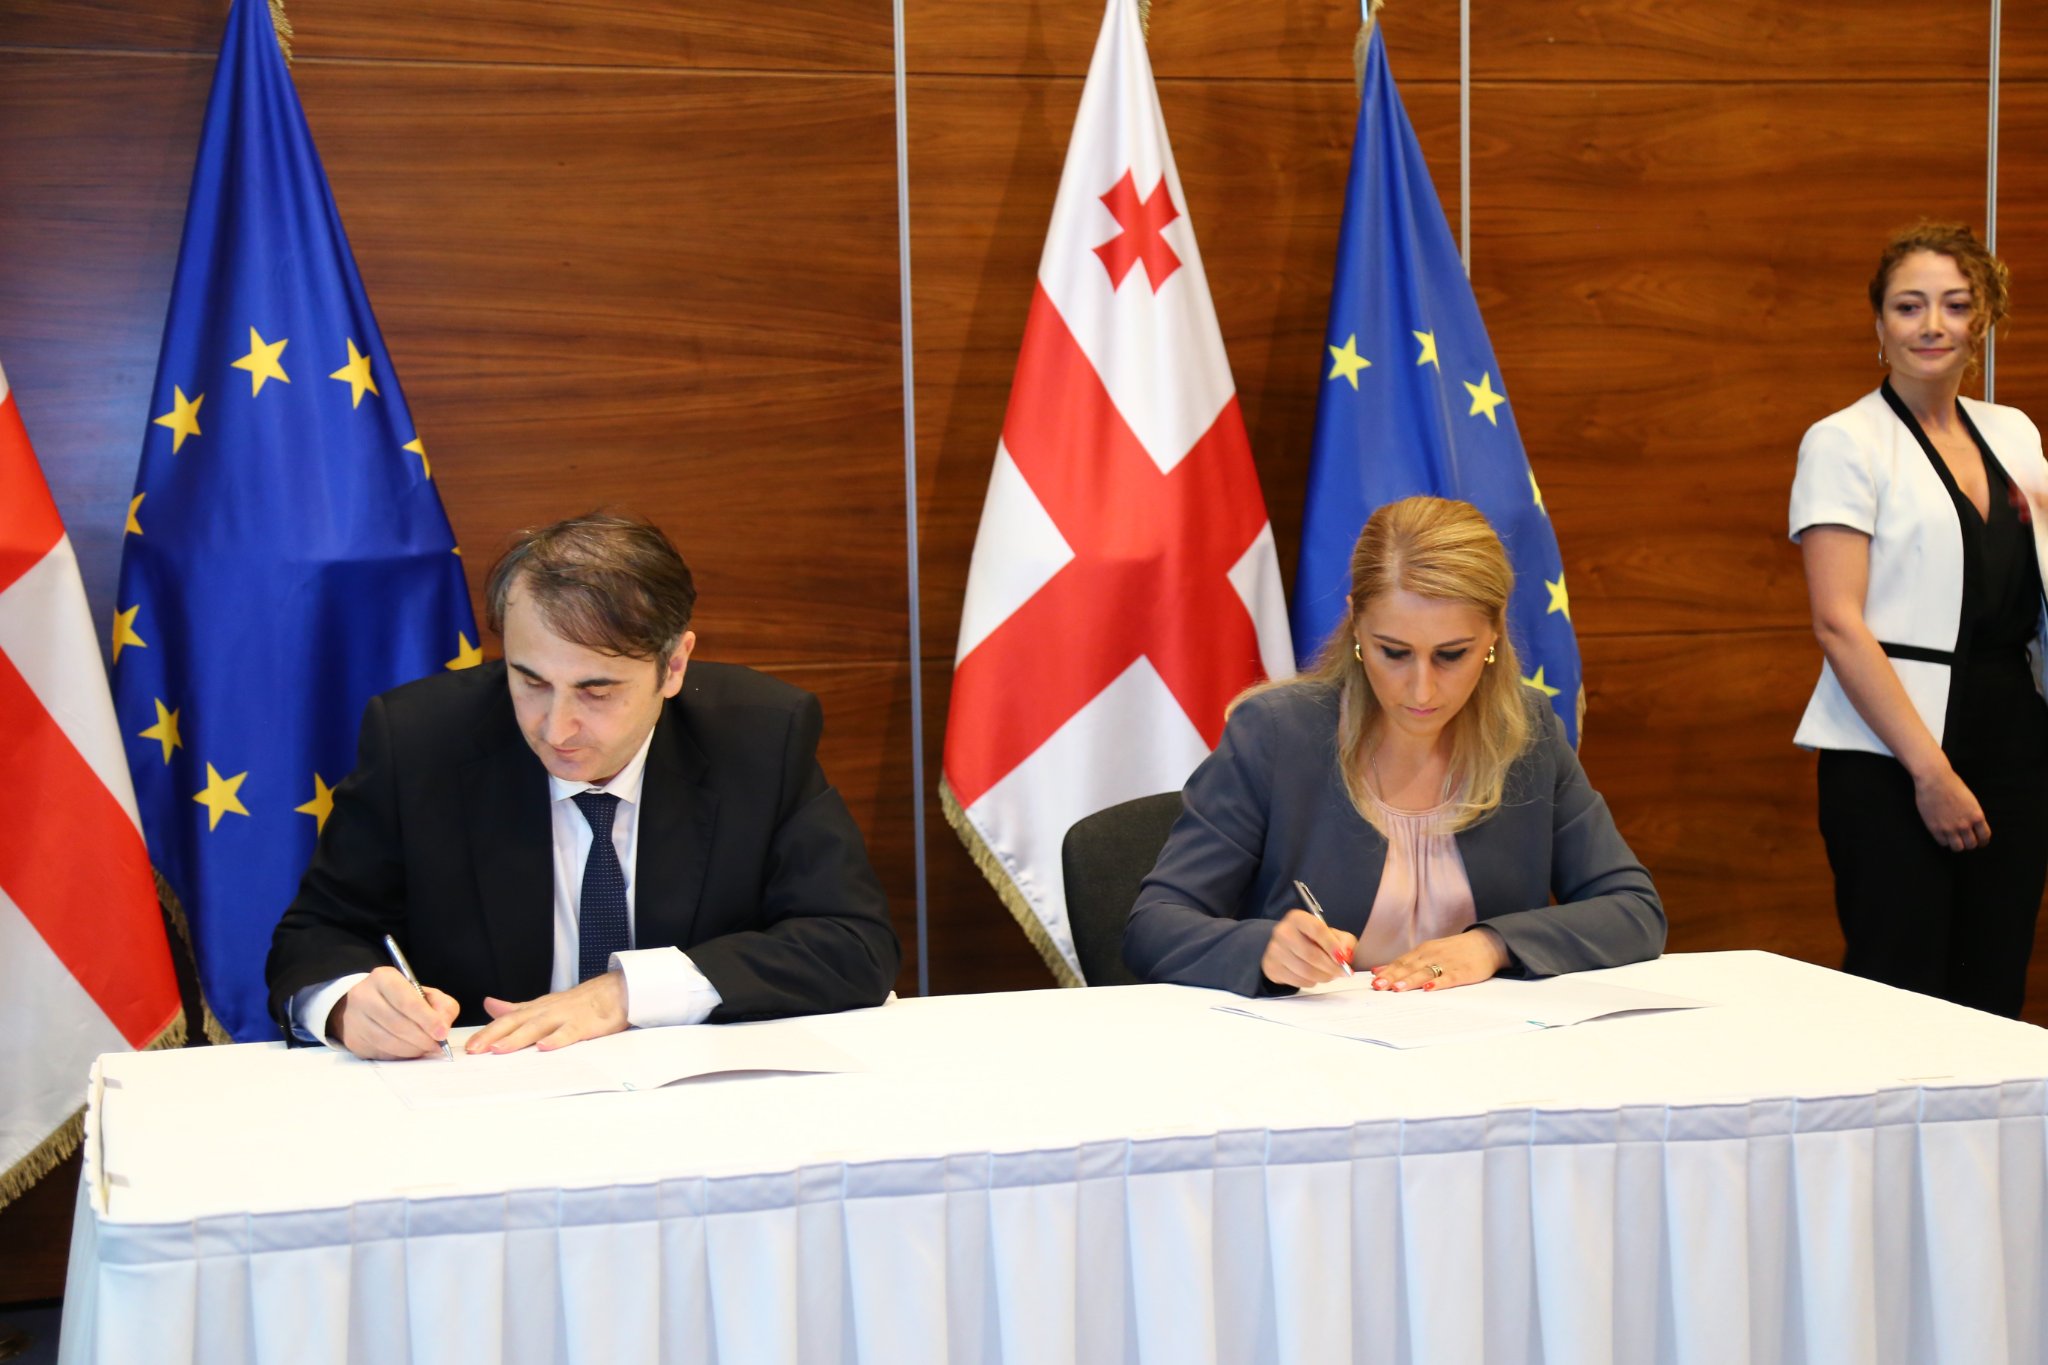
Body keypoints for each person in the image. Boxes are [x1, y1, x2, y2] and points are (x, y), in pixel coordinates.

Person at [266, 512, 901, 1058]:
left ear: (673, 666)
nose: (555, 727)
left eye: (596, 690)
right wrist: (347, 1003)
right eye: (531, 682)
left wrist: (626, 993)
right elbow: (317, 934)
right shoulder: (419, 740)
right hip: (485, 1098)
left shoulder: (760, 738)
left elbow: (853, 944)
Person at [1123, 496, 1664, 995]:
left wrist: (1491, 945)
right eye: (1394, 652)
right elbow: (1154, 926)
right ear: (1357, 624)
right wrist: (1264, 949)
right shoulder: (1275, 733)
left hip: (1488, 1045)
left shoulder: (1526, 731)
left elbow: (1634, 910)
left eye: (1452, 654)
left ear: (1495, 632)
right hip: (1310, 1051)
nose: (1421, 690)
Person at [1791, 222, 2048, 1018]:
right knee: (1901, 993)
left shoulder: (2015, 433)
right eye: (1909, 306)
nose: (1932, 324)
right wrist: (1929, 773)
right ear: (1879, 322)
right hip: (1890, 754)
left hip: (2014, 737)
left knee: (1994, 987)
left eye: (1955, 304)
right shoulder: (1843, 441)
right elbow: (1838, 623)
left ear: (1983, 320)